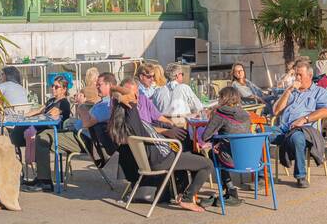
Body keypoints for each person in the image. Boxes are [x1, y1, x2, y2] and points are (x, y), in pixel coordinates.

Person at [109, 79, 210, 212]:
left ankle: (180, 192)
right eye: (134, 94)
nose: (137, 96)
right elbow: (121, 95)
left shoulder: (122, 120)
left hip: (155, 158)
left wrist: (118, 93)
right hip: (162, 159)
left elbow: (115, 93)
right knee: (207, 164)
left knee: (188, 155)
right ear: (129, 99)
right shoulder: (133, 116)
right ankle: (187, 198)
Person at [272, 59, 327, 187]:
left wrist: (305, 119)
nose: (297, 78)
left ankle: (300, 176)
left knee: (297, 137)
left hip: (303, 130)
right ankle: (260, 175)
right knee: (258, 133)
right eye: (295, 74)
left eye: (300, 75)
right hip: (283, 129)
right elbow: (276, 111)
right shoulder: (291, 92)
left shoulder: (319, 92)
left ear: (309, 76)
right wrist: (288, 91)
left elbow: (325, 111)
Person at [195, 86, 255, 206]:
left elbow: (205, 137)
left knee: (213, 153)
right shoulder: (246, 114)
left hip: (231, 158)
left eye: (219, 97)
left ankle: (230, 189)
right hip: (248, 159)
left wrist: (216, 140)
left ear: (223, 98)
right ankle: (230, 190)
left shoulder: (220, 114)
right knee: (219, 149)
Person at [22, 75, 79, 192]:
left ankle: (45, 182)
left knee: (40, 138)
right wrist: (23, 116)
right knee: (20, 132)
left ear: (64, 89)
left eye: (56, 87)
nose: (53, 88)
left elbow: (52, 114)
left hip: (56, 131)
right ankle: (39, 177)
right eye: (52, 86)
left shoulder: (64, 103)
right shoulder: (51, 100)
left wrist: (39, 115)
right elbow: (39, 110)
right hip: (44, 128)